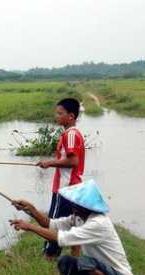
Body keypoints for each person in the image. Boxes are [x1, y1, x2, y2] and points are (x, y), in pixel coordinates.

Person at [10, 180, 135, 275]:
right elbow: (50, 224)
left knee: (84, 262)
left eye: (76, 203)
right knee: (65, 263)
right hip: (103, 270)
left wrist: (30, 227)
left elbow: (61, 238)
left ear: (86, 206)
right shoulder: (78, 218)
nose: (72, 205)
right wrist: (31, 209)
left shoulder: (98, 223)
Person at [38, 98, 85, 257]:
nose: (56, 116)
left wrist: (49, 163)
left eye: (60, 113)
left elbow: (73, 161)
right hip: (73, 187)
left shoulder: (70, 135)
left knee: (54, 223)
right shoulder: (70, 134)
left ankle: (50, 255)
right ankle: (75, 258)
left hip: (65, 188)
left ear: (71, 116)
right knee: (74, 223)